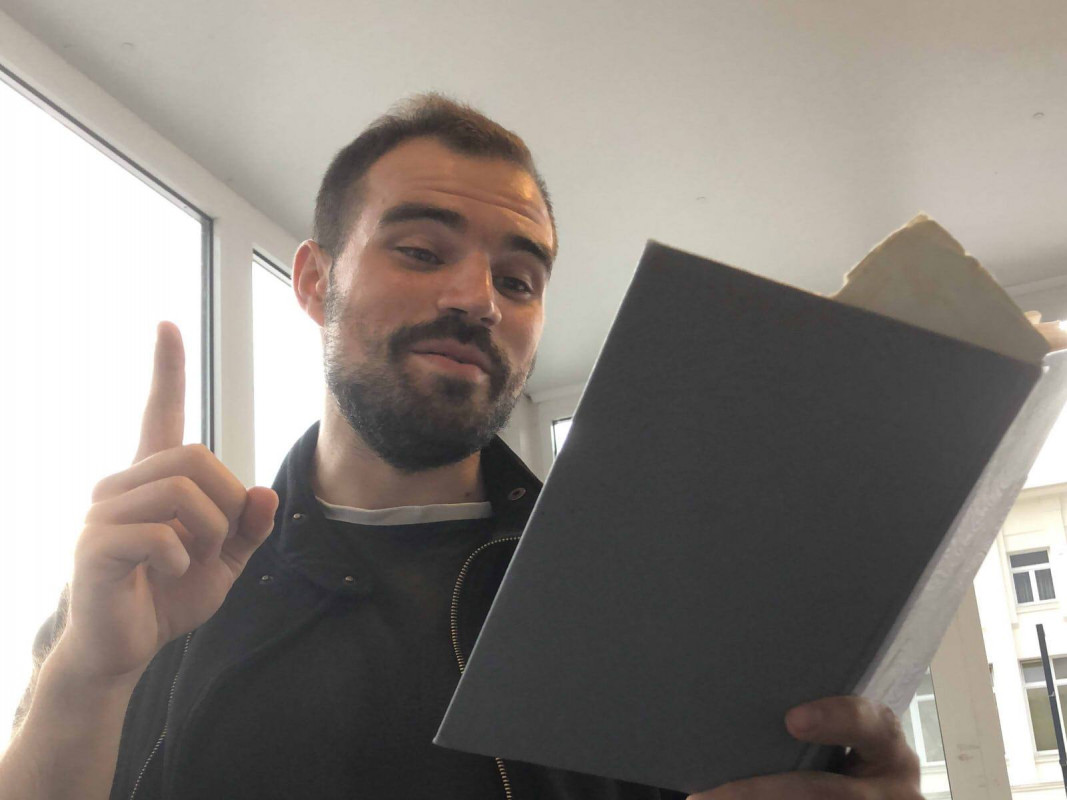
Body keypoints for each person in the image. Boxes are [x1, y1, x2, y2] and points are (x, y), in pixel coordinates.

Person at [3, 92, 953, 799]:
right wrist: (88, 675)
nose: (477, 299)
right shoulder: (156, 589)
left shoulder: (640, 597)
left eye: (518, 279)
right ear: (314, 281)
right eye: (421, 251)